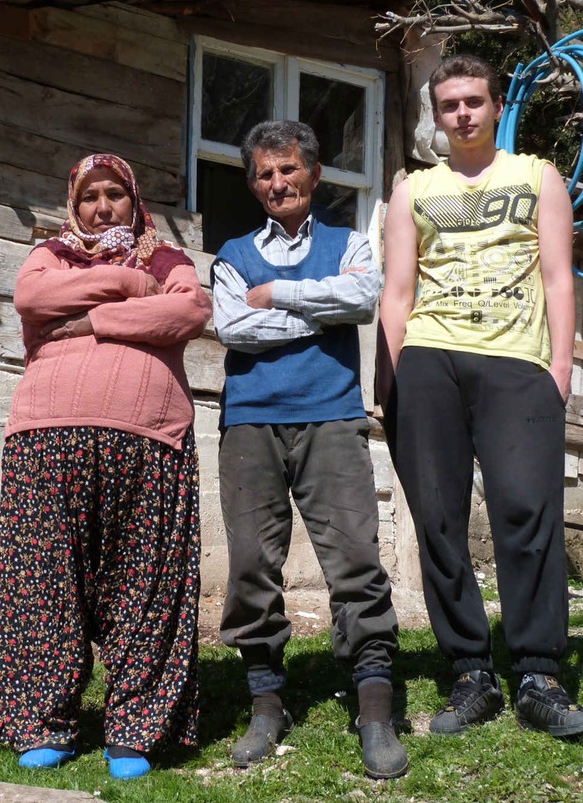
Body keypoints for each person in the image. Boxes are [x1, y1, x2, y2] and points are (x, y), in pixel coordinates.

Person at [376, 53, 583, 739]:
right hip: (430, 359)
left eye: (474, 100)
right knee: (438, 517)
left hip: (518, 362)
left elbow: (561, 277)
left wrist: (560, 368)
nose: (463, 113)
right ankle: (470, 670)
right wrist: (389, 381)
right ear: (436, 116)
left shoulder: (537, 177)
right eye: (450, 105)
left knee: (527, 510)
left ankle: (537, 672)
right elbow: (398, 292)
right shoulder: (414, 189)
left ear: (497, 106)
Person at [0, 153, 211, 781]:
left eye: (115, 194)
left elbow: (189, 312)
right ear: (75, 204)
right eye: (90, 196)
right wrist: (131, 288)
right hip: (46, 434)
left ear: (134, 201)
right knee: (44, 580)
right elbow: (33, 298)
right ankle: (44, 720)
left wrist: (89, 320)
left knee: (147, 582)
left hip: (149, 437)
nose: (103, 207)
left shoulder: (167, 257)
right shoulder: (50, 253)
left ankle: (136, 729)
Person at [212, 120, 409, 780]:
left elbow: (361, 297)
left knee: (355, 560)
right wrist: (313, 313)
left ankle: (375, 707)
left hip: (331, 415)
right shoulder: (235, 254)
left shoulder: (349, 242)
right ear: (253, 183)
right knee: (249, 567)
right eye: (265, 174)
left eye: (288, 170)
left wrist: (284, 296)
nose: (278, 184)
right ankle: (266, 703)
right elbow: (233, 326)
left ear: (313, 174)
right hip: (251, 421)